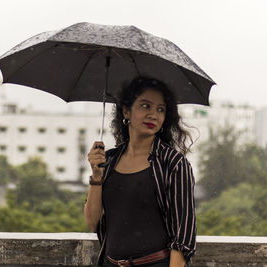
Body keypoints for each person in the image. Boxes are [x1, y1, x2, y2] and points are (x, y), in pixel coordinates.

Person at [84, 76, 196, 267]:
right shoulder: (109, 160)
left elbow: (183, 237)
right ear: (126, 111)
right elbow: (93, 222)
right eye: (146, 106)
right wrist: (96, 176)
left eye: (160, 109)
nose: (154, 114)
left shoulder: (174, 164)